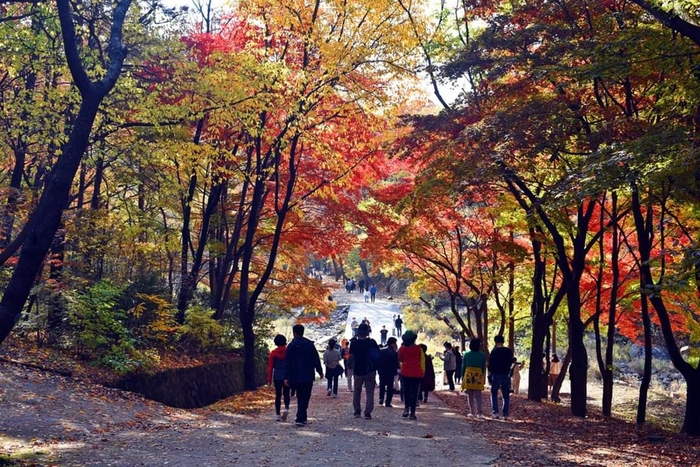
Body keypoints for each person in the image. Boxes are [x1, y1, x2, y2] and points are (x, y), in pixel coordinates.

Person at [284, 324, 323, 427]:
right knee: (306, 395)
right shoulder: (309, 344)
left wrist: (286, 376)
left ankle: (302, 416)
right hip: (307, 374)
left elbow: (287, 362)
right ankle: (300, 417)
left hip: (295, 375)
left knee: (300, 395)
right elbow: (315, 358)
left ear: (294, 332)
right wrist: (319, 370)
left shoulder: (291, 345)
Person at [349, 322, 380, 419]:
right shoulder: (372, 342)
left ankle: (357, 411)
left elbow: (351, 355)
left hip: (358, 370)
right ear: (367, 332)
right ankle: (368, 412)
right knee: (370, 391)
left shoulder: (354, 343)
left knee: (357, 391)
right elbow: (378, 355)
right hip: (370, 370)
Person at [397, 330, 424, 420]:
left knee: (406, 392)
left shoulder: (402, 349)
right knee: (415, 392)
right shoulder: (419, 349)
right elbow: (422, 360)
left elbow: (399, 359)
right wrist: (423, 371)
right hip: (416, 372)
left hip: (405, 372)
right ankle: (413, 412)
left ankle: (406, 409)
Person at [488, 335, 513, 420]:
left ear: (495, 342)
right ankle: (505, 413)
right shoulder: (508, 351)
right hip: (506, 374)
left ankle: (495, 412)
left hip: (496, 374)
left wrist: (490, 373)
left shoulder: (494, 351)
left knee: (494, 393)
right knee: (506, 395)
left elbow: (490, 364)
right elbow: (511, 362)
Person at [267, 334, 290, 422]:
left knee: (278, 395)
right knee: (286, 393)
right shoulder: (288, 351)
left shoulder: (273, 353)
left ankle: (277, 415)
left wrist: (269, 379)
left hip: (277, 376)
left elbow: (270, 367)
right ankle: (286, 409)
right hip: (287, 376)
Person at [461, 338, 486, 418]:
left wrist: (462, 376)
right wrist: (482, 376)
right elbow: (483, 367)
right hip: (478, 374)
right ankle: (479, 413)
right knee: (478, 395)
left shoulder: (466, 354)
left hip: (468, 373)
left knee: (470, 394)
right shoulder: (482, 355)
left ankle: (472, 412)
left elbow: (463, 366)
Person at [377, 337, 399, 407]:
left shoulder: (381, 350)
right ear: (392, 344)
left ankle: (381, 398)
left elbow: (378, 361)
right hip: (390, 371)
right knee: (390, 387)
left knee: (382, 385)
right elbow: (396, 363)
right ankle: (388, 402)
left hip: (382, 370)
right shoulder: (394, 352)